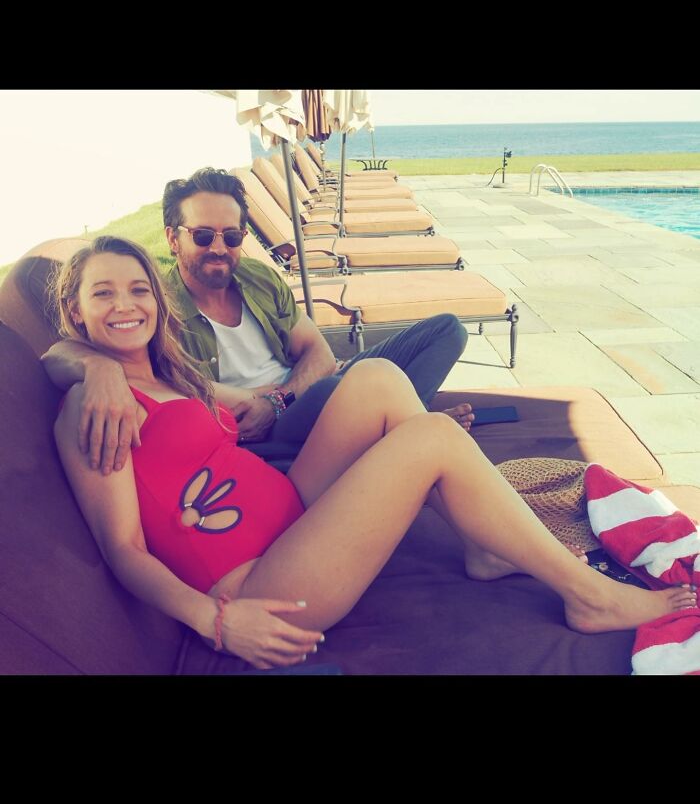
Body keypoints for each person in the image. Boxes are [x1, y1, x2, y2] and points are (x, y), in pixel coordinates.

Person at [51, 235, 697, 669]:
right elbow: (123, 548)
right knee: (433, 437)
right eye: (102, 293)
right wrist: (217, 622)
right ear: (75, 312)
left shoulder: (165, 375)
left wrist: (93, 362)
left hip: (291, 515)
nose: (125, 305)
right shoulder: (94, 407)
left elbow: (231, 402)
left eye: (137, 289)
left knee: (377, 379)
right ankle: (588, 595)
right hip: (261, 581)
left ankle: (478, 543)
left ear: (155, 300)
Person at [42, 168, 474, 477]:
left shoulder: (257, 277)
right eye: (202, 235)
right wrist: (99, 368)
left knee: (446, 331)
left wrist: (279, 398)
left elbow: (318, 351)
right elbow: (62, 353)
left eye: (231, 236)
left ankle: (401, 427)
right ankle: (410, 429)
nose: (219, 248)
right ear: (173, 238)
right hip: (264, 431)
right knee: (351, 385)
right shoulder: (156, 306)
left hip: (293, 398)